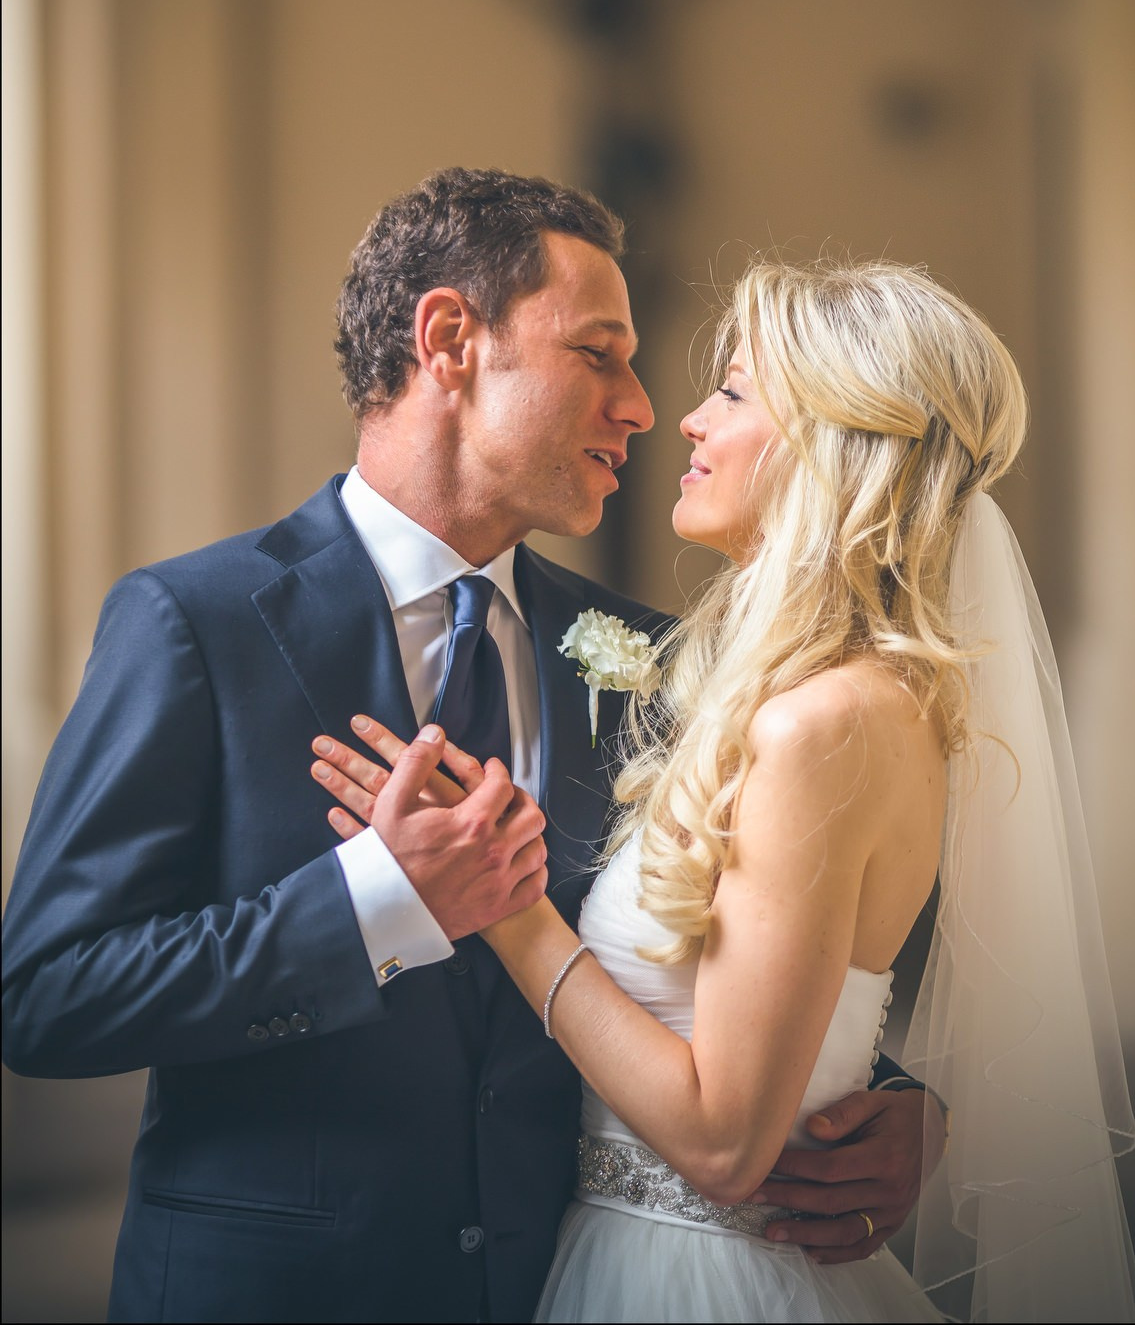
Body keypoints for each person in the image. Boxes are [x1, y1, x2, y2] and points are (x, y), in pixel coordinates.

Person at [2, 171, 931, 1325]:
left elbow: (750, 946)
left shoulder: (653, 658)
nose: (643, 407)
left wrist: (883, 1105)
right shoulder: (196, 625)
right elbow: (46, 994)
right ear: (449, 341)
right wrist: (376, 905)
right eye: (599, 354)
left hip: (562, 1287)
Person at [316, 257, 1135, 1324]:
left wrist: (507, 907)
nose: (687, 418)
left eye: (736, 392)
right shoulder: (769, 692)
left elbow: (724, 1140)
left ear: (838, 445)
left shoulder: (821, 725)